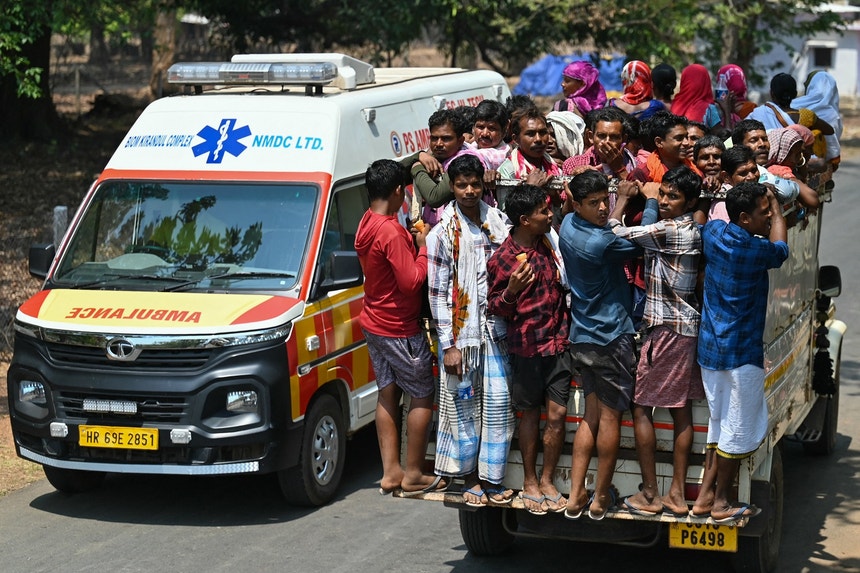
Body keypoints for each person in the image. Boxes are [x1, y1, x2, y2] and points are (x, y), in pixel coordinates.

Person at [609, 166, 705, 517]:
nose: (664, 200)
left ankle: (651, 493)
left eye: (672, 197)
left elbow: (616, 232)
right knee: (680, 412)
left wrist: (628, 200)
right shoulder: (688, 228)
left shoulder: (671, 229)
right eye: (662, 193)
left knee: (641, 408)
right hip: (681, 328)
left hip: (667, 328)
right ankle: (676, 494)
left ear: (691, 202)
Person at [691, 181, 788, 523]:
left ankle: (704, 498)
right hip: (741, 356)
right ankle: (719, 503)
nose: (768, 217)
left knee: (718, 428)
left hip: (711, 352)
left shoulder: (715, 234)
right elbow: (781, 248)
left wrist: (710, 193)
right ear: (745, 218)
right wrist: (777, 206)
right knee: (735, 432)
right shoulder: (755, 251)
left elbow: (704, 219)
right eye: (762, 213)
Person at [427, 155, 515, 507]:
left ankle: (490, 480)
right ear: (451, 186)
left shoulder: (499, 223)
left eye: (474, 184)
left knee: (497, 405)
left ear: (483, 185)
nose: (468, 190)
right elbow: (437, 293)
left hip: (496, 331)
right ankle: (466, 480)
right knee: (463, 410)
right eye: (461, 184)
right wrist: (448, 345)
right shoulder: (442, 233)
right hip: (461, 340)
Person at [354, 159, 446, 496]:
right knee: (421, 394)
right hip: (398, 327)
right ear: (398, 191)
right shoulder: (390, 231)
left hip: (374, 321)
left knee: (388, 392)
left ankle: (390, 471)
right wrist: (422, 249)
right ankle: (412, 474)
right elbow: (411, 282)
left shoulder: (367, 220)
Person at [559, 170, 645, 521]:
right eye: (592, 203)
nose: (600, 208)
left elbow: (606, 225)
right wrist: (639, 200)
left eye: (603, 200)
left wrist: (613, 208)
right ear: (576, 203)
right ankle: (599, 498)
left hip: (581, 338)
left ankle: (576, 492)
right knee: (610, 419)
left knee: (590, 418)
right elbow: (638, 239)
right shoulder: (602, 243)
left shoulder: (566, 225)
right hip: (611, 339)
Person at [487, 184, 572, 515]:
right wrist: (511, 291)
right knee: (530, 415)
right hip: (527, 348)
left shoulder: (550, 245)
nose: (550, 215)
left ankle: (548, 480)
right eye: (543, 211)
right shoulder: (503, 259)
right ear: (524, 219)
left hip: (559, 343)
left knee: (558, 414)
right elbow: (496, 307)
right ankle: (530, 481)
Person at [407, 109, 489, 227]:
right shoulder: (433, 156)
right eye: (434, 138)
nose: (439, 144)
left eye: (446, 139)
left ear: (460, 140)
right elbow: (396, 170)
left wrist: (417, 166)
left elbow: (435, 197)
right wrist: (419, 155)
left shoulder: (466, 159)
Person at [497, 109, 563, 218]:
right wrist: (531, 189)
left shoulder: (554, 167)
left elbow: (559, 214)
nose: (538, 139)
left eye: (542, 132)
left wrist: (555, 196)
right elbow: (506, 217)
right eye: (530, 134)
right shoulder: (508, 170)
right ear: (516, 139)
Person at [562, 107, 637, 183]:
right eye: (601, 136)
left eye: (614, 137)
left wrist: (620, 169)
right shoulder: (573, 164)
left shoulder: (637, 164)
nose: (607, 142)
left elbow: (637, 192)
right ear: (591, 137)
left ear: (624, 139)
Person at [792, 70, 843, 170]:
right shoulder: (833, 115)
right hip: (822, 164)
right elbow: (833, 141)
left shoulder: (794, 105)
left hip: (794, 161)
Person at [699, 144, 758, 223]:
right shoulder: (723, 204)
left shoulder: (756, 192)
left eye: (754, 170)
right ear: (726, 177)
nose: (752, 177)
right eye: (743, 173)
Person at [671, 64, 728, 137]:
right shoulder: (709, 109)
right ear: (706, 82)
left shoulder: (675, 104)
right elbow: (725, 139)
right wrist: (727, 112)